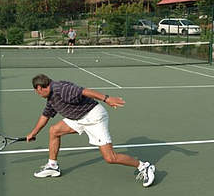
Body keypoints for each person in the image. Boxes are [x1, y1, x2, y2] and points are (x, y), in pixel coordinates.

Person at [26, 74, 156, 187]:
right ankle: (52, 166)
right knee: (54, 131)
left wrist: (107, 99)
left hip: (94, 118)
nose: (38, 94)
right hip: (78, 118)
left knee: (110, 157)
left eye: (37, 92)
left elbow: (84, 91)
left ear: (40, 88)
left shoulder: (61, 89)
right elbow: (45, 116)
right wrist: (34, 133)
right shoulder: (51, 98)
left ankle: (144, 166)